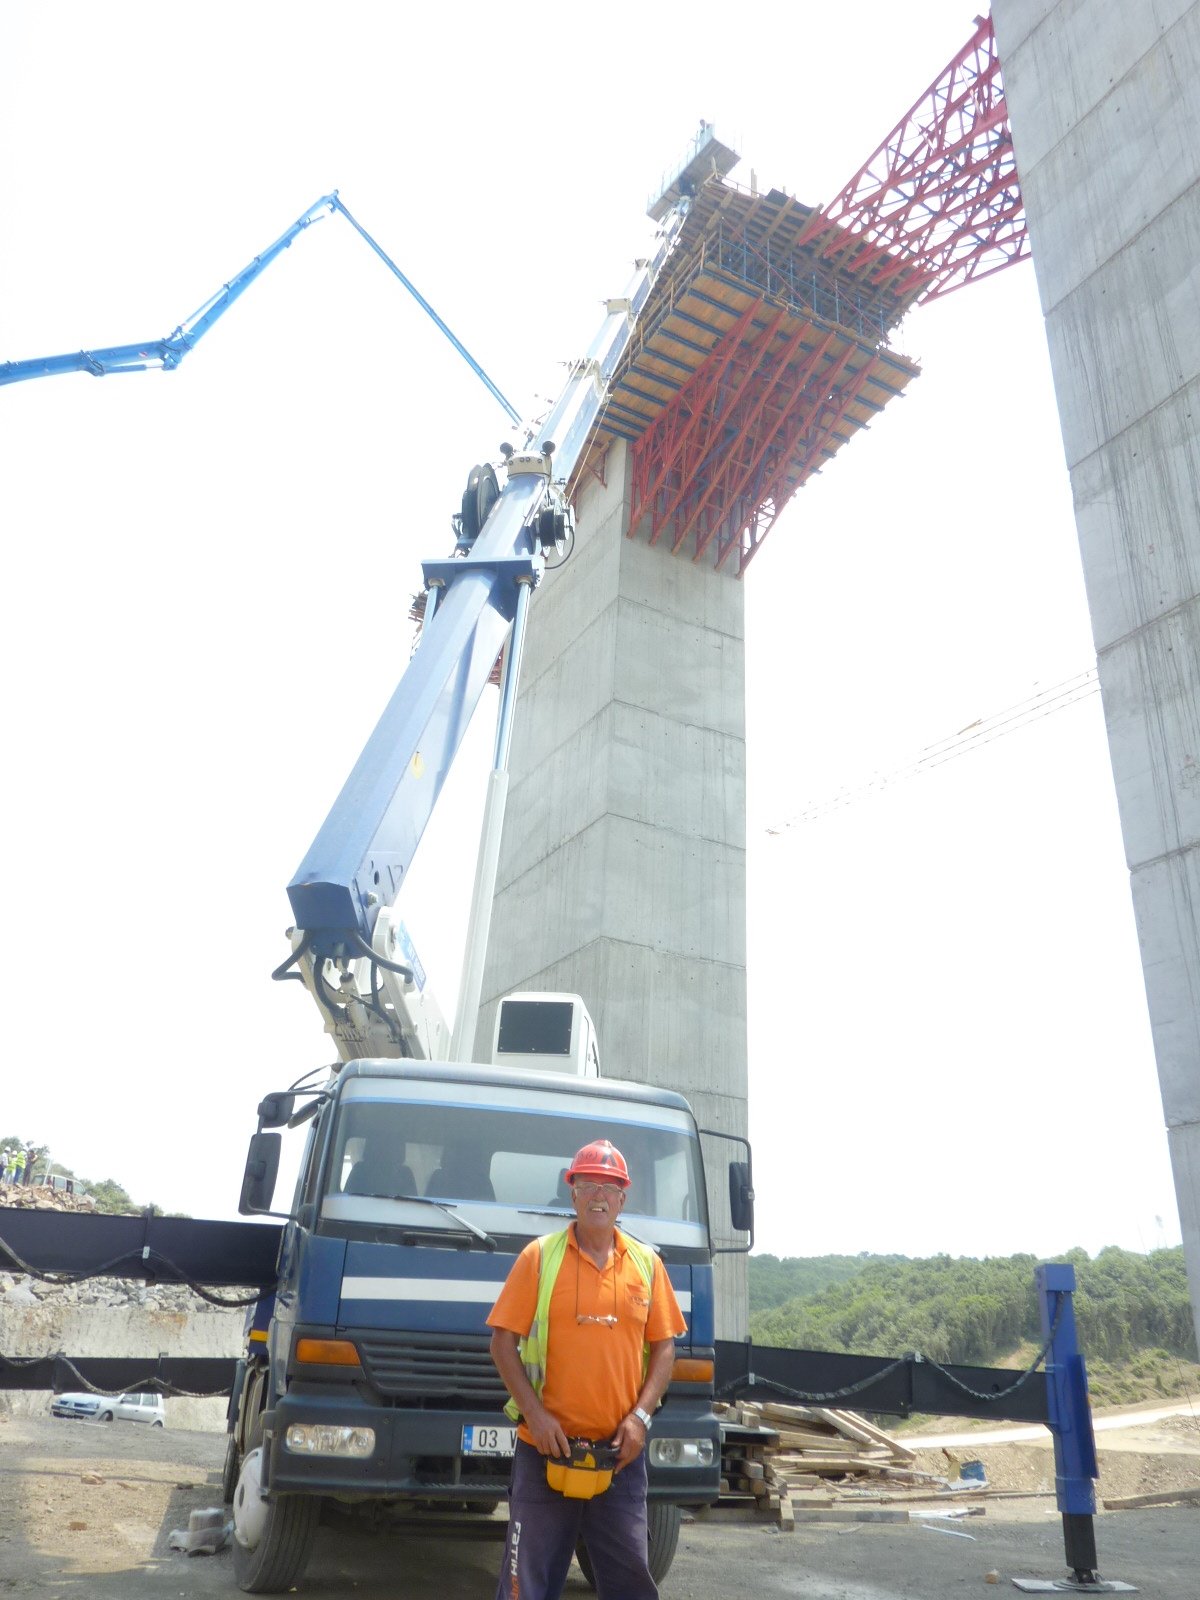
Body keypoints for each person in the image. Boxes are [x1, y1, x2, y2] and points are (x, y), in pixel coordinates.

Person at [488, 1139, 685, 1600]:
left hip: (620, 1456)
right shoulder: (539, 1258)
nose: (599, 1195)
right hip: (545, 1451)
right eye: (589, 1184)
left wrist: (640, 1419)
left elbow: (665, 1349)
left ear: (622, 1198)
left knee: (631, 1584)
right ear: (572, 1192)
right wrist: (536, 1416)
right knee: (525, 1587)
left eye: (610, 1186)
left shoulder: (647, 1265)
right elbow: (502, 1344)